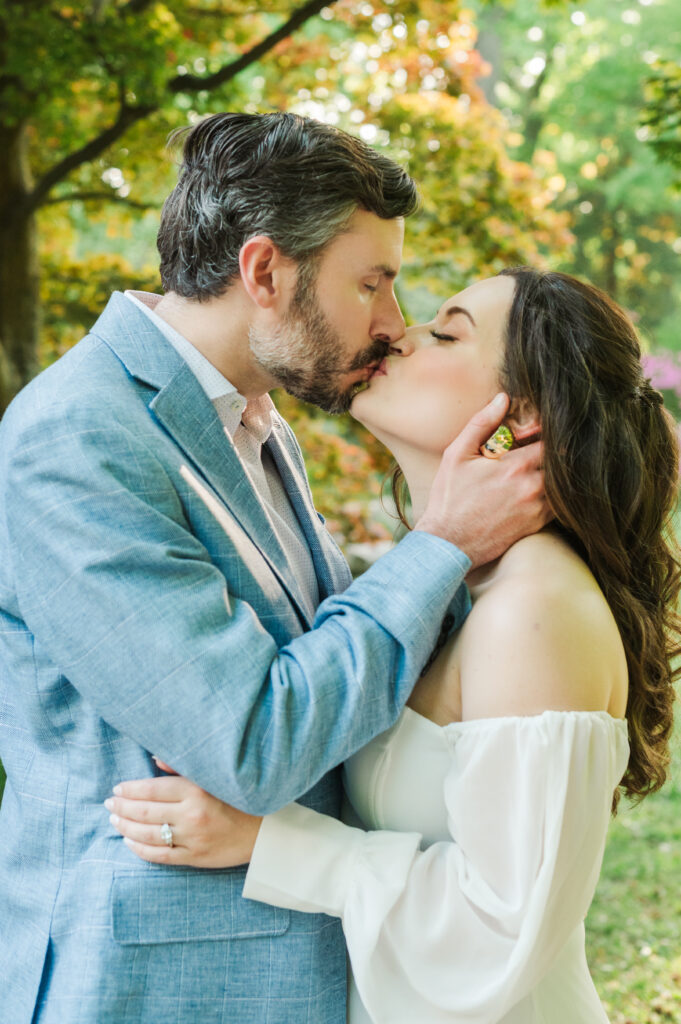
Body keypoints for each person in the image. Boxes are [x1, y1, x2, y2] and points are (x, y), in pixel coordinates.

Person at [0, 113, 546, 1024]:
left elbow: (321, 652)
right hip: (149, 991)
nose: (392, 323)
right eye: (371, 283)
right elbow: (254, 742)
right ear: (263, 272)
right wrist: (441, 545)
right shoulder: (78, 437)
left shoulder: (252, 418)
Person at [109, 268, 681, 1024]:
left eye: (445, 332)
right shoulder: (454, 591)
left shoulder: (533, 609)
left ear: (525, 416)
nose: (397, 332)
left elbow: (497, 932)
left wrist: (267, 840)